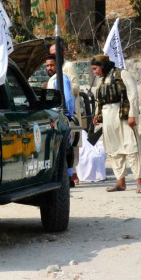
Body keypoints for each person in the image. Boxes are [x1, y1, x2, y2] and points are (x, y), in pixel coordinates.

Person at [91, 54, 141, 193]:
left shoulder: (123, 74)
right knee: (113, 150)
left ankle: (139, 182)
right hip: (108, 117)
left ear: (102, 66)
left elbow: (133, 95)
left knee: (132, 147)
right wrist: (97, 114)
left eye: (95, 68)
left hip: (123, 115)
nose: (94, 72)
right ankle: (120, 183)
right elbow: (100, 100)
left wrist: (132, 115)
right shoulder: (102, 80)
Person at [45, 53, 78, 185]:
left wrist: (67, 114)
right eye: (47, 66)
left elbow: (68, 98)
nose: (49, 68)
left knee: (66, 148)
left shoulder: (61, 78)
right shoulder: (53, 79)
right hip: (55, 118)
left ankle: (68, 177)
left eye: (52, 65)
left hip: (61, 117)